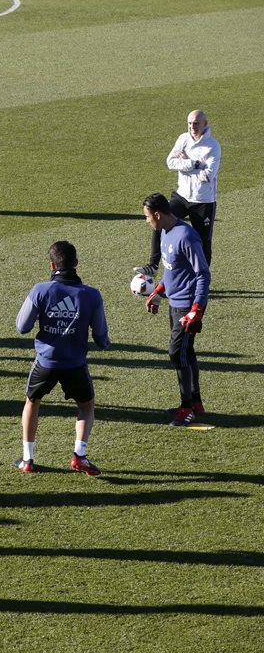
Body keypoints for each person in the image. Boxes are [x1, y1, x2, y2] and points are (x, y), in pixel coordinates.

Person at [14, 241, 109, 476]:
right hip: (75, 364)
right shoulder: (92, 295)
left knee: (32, 402)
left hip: (45, 362)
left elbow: (21, 327)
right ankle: (80, 455)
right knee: (86, 407)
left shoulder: (40, 290)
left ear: (52, 265)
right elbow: (101, 337)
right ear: (76, 264)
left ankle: (27, 459)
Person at [142, 193, 211, 427]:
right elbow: (172, 270)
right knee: (186, 352)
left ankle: (186, 408)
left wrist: (197, 309)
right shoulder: (164, 232)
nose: (147, 221)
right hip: (174, 303)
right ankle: (196, 402)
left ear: (158, 214)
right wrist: (159, 290)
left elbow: (203, 273)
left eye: (148, 217)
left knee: (176, 353)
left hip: (187, 306)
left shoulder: (187, 236)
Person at [136, 110, 221, 277]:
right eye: (189, 123)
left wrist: (184, 163)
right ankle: (153, 265)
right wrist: (195, 164)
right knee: (158, 219)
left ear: (205, 124)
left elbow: (208, 176)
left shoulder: (213, 146)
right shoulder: (183, 139)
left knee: (203, 242)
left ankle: (202, 278)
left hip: (203, 200)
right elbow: (170, 162)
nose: (192, 127)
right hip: (181, 196)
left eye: (196, 123)